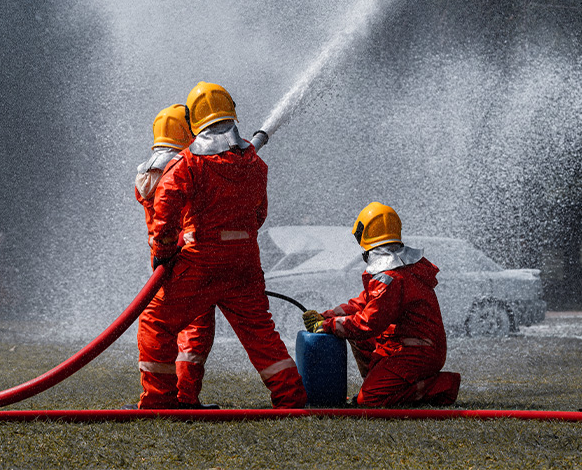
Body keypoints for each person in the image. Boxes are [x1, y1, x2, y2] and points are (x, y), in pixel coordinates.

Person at [136, 81, 307, 409]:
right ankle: (291, 398)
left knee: (155, 322)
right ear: (232, 113)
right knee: (261, 334)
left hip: (200, 262)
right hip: (245, 264)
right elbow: (259, 215)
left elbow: (166, 207)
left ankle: (159, 401)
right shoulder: (255, 163)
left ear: (193, 121)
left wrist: (163, 252)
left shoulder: (188, 163)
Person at [302, 202, 461, 407]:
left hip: (418, 352)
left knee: (370, 399)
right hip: (410, 345)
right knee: (354, 332)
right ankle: (380, 380)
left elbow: (369, 323)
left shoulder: (391, 277)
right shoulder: (401, 269)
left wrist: (329, 325)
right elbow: (363, 304)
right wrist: (328, 316)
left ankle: (443, 385)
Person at [134, 104, 217, 409]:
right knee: (197, 329)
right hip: (190, 262)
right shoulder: (182, 169)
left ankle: (160, 397)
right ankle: (184, 397)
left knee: (161, 329)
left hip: (164, 261)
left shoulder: (146, 174)